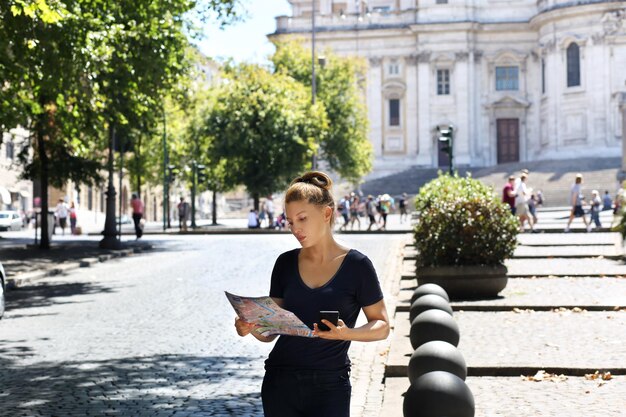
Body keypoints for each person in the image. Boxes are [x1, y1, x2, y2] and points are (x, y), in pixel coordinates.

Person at [234, 171, 390, 417]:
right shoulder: (284, 264)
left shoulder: (358, 266)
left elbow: (382, 326)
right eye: (290, 221)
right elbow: (270, 332)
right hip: (280, 382)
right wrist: (250, 327)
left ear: (326, 214)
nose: (295, 228)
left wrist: (346, 333)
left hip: (331, 385)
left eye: (302, 218)